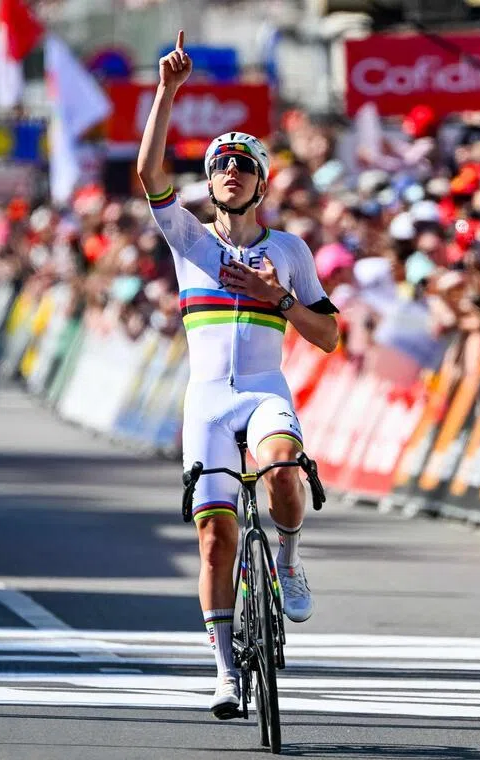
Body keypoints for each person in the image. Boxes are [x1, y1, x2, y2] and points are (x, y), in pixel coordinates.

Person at [135, 32, 340, 719]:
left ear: (260, 183)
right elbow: (148, 175)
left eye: (242, 167)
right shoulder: (190, 241)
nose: (230, 173)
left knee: (283, 473)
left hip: (262, 392)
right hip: (205, 404)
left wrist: (276, 298)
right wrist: (167, 91)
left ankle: (286, 558)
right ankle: (224, 671)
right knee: (215, 536)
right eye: (221, 165)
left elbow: (329, 334)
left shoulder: (288, 250)